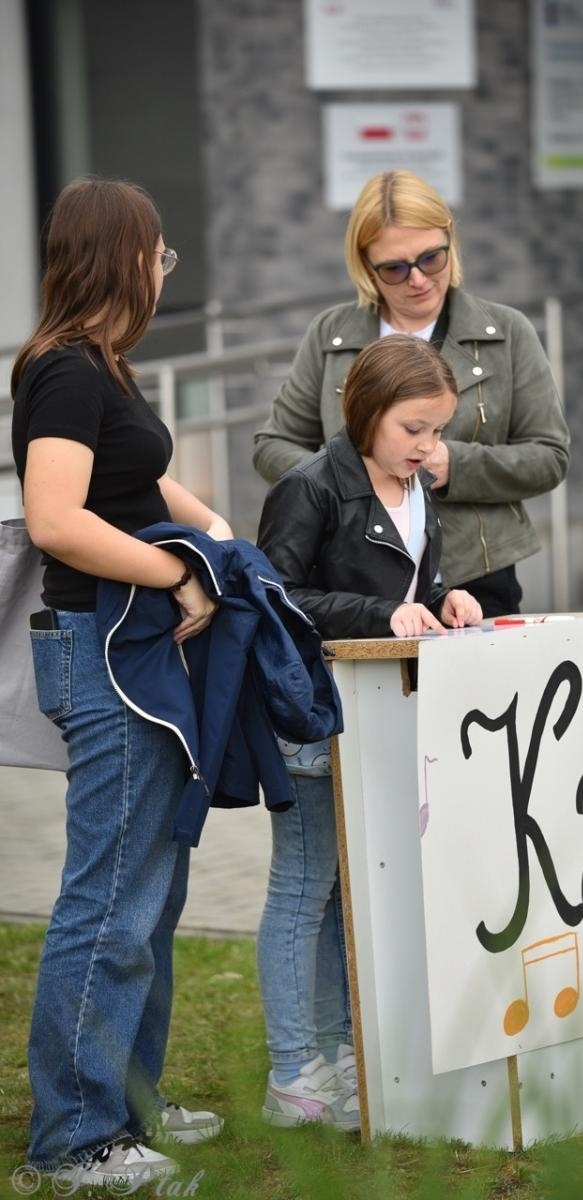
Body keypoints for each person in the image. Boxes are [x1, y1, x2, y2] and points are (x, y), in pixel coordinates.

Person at [11, 178, 232, 1189]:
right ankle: (75, 1138)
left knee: (152, 885)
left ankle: (131, 1104)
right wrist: (178, 570)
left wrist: (219, 536)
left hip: (133, 647)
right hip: (102, 646)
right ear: (121, 256)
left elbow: (137, 483)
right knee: (107, 899)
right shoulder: (61, 373)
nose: (161, 269)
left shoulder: (103, 368)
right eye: (158, 253)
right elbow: (58, 518)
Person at [255, 333, 483, 1128]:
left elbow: (416, 579)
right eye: (412, 429)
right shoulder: (309, 486)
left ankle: (334, 1054)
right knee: (303, 888)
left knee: (343, 897)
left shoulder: (417, 490)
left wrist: (448, 598)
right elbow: (273, 596)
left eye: (437, 430)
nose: (428, 447)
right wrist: (377, 614)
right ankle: (294, 1075)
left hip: (379, 719)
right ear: (366, 413)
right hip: (312, 718)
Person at [253, 168, 570, 619]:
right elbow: (273, 445)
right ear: (365, 267)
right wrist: (348, 483)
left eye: (432, 259)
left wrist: (453, 463)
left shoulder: (506, 332)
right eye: (395, 268)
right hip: (351, 584)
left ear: (451, 241)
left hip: (472, 578)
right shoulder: (331, 334)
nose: (418, 279)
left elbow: (550, 456)